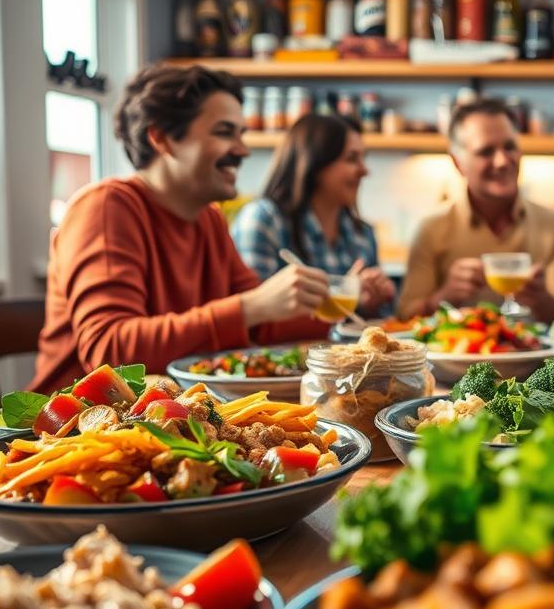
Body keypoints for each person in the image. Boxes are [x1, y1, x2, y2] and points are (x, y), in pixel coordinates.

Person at [30, 64, 334, 392]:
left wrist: (349, 314)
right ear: (162, 138)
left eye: (241, 134)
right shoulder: (106, 207)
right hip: (70, 430)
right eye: (224, 132)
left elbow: (261, 324)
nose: (242, 150)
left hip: (170, 417)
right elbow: (110, 351)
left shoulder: (209, 219)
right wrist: (251, 307)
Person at [397, 98, 554, 322]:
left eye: (510, 147)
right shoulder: (431, 228)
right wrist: (445, 296)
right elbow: (403, 319)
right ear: (458, 163)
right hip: (454, 355)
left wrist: (542, 299)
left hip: (535, 356)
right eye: (486, 152)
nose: (501, 161)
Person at [230, 114, 396, 317]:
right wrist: (341, 300)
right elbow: (254, 318)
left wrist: (374, 299)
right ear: (315, 163)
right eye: (352, 158)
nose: (364, 170)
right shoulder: (262, 221)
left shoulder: (362, 234)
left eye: (363, 158)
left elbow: (381, 323)